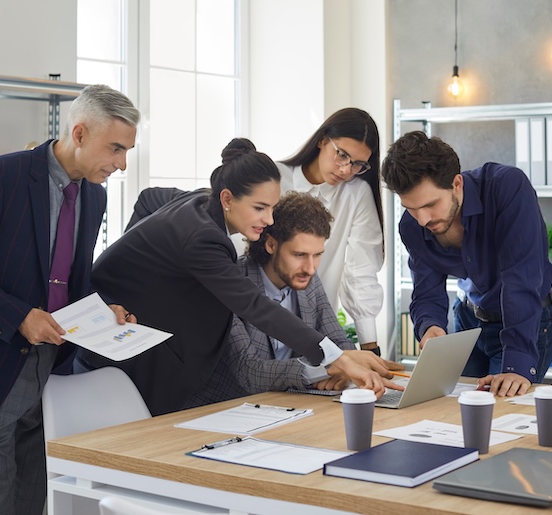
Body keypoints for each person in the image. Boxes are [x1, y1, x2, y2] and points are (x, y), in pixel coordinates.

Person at [0, 84, 140, 515]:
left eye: (128, 151)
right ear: (79, 134)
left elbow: (69, 280)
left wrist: (103, 309)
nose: (122, 164)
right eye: (115, 148)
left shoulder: (94, 195)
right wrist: (19, 316)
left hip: (49, 371)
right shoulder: (1, 177)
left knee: (33, 503)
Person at [76, 138, 401, 416]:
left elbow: (148, 198)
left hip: (115, 322)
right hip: (107, 339)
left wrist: (141, 271)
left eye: (272, 207)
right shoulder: (206, 240)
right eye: (260, 208)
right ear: (228, 199)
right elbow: (256, 307)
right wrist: (334, 359)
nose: (268, 220)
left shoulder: (201, 200)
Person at [380, 131, 552, 397]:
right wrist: (431, 328)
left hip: (525, 321)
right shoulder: (412, 226)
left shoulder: (506, 188)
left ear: (457, 183)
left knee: (499, 412)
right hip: (468, 323)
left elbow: (522, 280)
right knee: (449, 412)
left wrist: (516, 364)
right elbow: (426, 290)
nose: (421, 219)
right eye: (411, 208)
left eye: (430, 205)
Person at [187, 192, 404, 406]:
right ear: (271, 245)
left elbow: (338, 342)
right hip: (223, 410)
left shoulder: (307, 280)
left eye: (318, 255)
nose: (310, 268)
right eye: (299, 255)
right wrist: (327, 368)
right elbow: (250, 373)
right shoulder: (231, 284)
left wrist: (342, 370)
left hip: (286, 405)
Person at [276, 108, 385, 355]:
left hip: (318, 333)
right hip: (265, 329)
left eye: (358, 164)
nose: (346, 170)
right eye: (342, 155)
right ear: (323, 140)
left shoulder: (356, 193)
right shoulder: (274, 178)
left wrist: (370, 350)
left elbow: (361, 270)